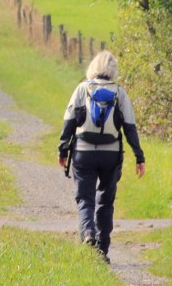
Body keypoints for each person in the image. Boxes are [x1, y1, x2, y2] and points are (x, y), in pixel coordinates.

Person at [58, 50, 145, 263]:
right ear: (113, 69)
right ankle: (102, 250)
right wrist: (139, 156)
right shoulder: (120, 93)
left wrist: (62, 150)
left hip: (83, 153)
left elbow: (69, 122)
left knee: (85, 199)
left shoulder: (81, 89)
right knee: (106, 201)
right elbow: (130, 128)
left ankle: (88, 234)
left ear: (93, 67)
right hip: (111, 154)